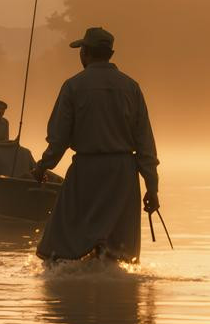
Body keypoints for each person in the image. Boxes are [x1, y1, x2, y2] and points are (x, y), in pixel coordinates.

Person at [30, 27, 160, 263]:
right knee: (116, 253)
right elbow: (145, 143)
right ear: (110, 53)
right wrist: (152, 186)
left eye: (81, 50)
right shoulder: (131, 87)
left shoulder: (73, 86)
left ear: (86, 53)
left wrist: (42, 167)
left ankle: (69, 293)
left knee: (60, 249)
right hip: (122, 174)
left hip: (86, 172)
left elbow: (59, 138)